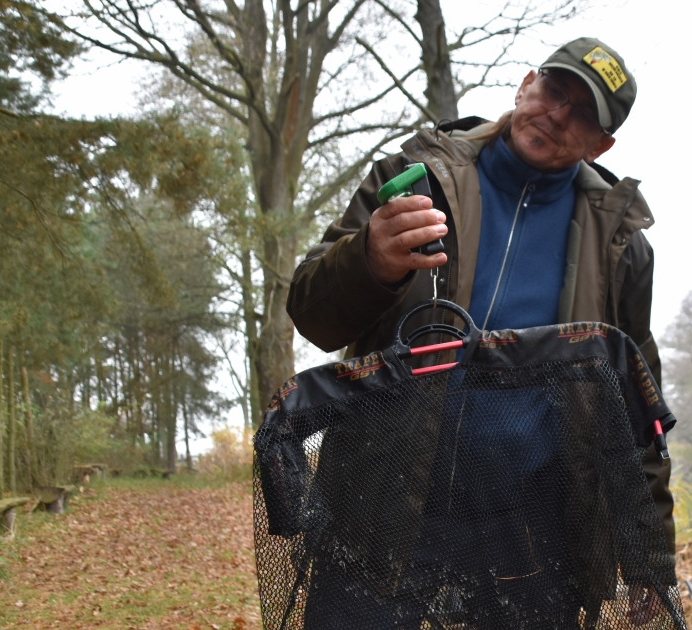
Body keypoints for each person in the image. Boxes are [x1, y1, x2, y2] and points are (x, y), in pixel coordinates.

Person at [287, 37, 672, 625]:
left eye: (583, 114)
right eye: (553, 91)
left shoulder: (621, 247)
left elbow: (635, 406)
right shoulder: (413, 178)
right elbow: (312, 312)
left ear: (602, 145)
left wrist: (646, 554)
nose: (557, 114)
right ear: (525, 85)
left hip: (530, 533)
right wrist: (371, 259)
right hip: (379, 507)